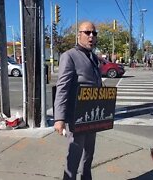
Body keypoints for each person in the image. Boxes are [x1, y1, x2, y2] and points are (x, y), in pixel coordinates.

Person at [54, 21, 102, 180]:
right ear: (78, 35)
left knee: (88, 156)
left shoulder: (94, 57)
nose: (91, 37)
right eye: (87, 32)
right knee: (74, 158)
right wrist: (59, 118)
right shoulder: (69, 56)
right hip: (76, 117)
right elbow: (62, 87)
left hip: (92, 117)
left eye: (94, 33)